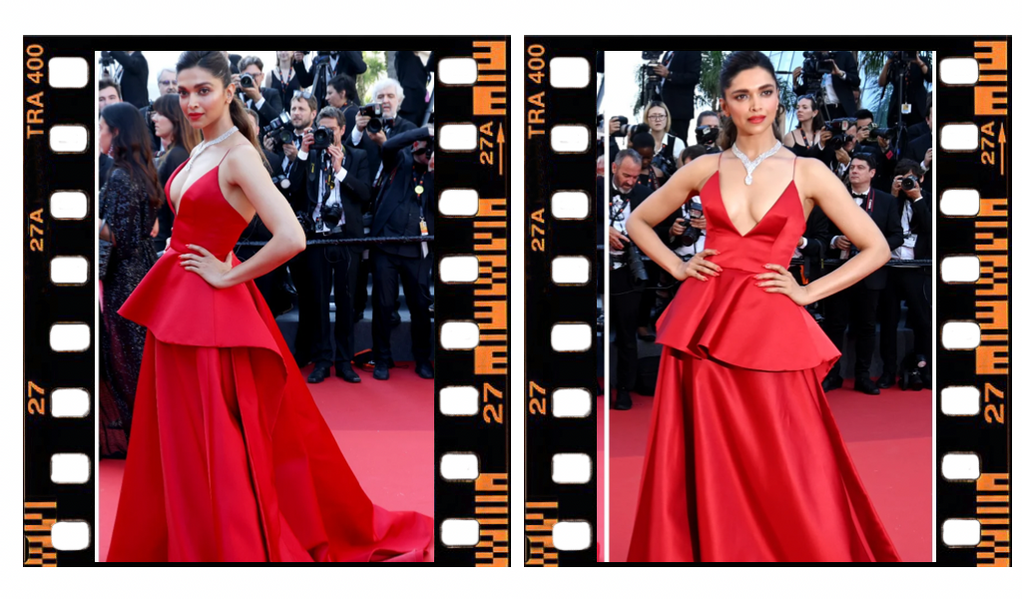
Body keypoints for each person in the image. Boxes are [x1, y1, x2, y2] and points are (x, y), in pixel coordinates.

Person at [107, 51, 432, 562]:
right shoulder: (200, 149)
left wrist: (227, 272)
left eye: (203, 91)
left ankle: (224, 546)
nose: (191, 102)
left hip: (209, 311)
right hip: (180, 304)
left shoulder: (237, 154)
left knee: (213, 435)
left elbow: (292, 236)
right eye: (185, 92)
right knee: (180, 438)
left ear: (229, 92)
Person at [624, 51, 900, 562]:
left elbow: (877, 247)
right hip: (702, 331)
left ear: (779, 98)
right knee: (707, 456)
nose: (756, 105)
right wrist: (679, 267)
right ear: (724, 105)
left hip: (773, 326)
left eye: (766, 92)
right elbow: (638, 221)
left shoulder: (809, 171)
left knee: (791, 454)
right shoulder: (705, 167)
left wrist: (806, 292)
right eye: (742, 95)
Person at [98, 102, 162, 457]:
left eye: (102, 125)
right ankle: (145, 434)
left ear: (117, 131)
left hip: (125, 279)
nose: (98, 131)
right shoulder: (140, 169)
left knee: (127, 359)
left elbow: (119, 236)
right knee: (136, 359)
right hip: (140, 272)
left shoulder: (121, 174)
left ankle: (142, 438)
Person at [293, 106, 371, 384]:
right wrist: (303, 151)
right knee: (318, 303)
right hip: (318, 240)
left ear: (342, 130)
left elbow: (365, 194)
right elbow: (292, 188)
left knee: (346, 303)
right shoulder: (310, 157)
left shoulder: (358, 156)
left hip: (347, 239)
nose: (325, 134)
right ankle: (323, 360)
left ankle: (344, 361)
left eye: (331, 129)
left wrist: (340, 170)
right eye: (320, 129)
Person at [819, 153, 903, 394]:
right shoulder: (834, 198)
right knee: (835, 325)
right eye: (852, 167)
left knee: (867, 327)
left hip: (871, 274)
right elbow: (823, 234)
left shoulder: (886, 201)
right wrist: (836, 241)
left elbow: (897, 235)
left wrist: (873, 246)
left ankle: (863, 377)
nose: (854, 171)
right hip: (840, 271)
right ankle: (832, 375)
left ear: (872, 173)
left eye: (860, 167)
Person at [369, 125, 435, 381]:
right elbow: (388, 145)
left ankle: (422, 359)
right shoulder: (399, 160)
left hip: (418, 250)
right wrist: (424, 130)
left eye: (429, 151)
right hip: (385, 245)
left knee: (420, 306)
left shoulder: (433, 173)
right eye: (422, 150)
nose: (425, 155)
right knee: (383, 304)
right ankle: (382, 358)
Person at [605, 149, 656, 411]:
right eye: (626, 175)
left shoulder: (645, 195)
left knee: (626, 333)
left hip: (628, 272)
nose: (630, 181)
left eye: (635, 176)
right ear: (613, 167)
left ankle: (624, 389)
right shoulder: (595, 189)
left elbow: (655, 232)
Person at [878, 159, 933, 391]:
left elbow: (932, 229)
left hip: (916, 268)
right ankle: (888, 372)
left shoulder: (928, 198)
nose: (907, 183)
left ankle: (924, 368)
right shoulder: (888, 200)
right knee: (888, 322)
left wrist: (917, 198)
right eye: (902, 180)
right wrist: (893, 195)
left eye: (911, 178)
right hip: (890, 267)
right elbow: (879, 227)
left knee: (923, 320)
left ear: (920, 179)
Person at [792, 50, 859, 120]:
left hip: (841, 108)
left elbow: (856, 81)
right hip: (820, 111)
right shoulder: (812, 59)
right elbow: (806, 93)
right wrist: (795, 82)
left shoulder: (844, 56)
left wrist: (840, 73)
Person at [652, 50, 701, 142]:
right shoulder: (668, 53)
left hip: (679, 109)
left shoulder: (691, 52)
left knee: (678, 142)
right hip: (662, 106)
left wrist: (669, 75)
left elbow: (693, 77)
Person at [233, 56, 284, 137]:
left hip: (264, 145)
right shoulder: (233, 95)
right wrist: (228, 90)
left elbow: (279, 122)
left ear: (262, 76)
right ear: (240, 77)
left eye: (255, 75)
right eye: (247, 76)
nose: (252, 79)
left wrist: (258, 99)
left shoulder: (272, 94)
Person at [879, 52, 931, 128]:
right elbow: (881, 82)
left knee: (917, 132)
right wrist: (888, 62)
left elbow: (930, 77)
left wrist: (919, 62)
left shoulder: (921, 60)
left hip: (918, 106)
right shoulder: (895, 62)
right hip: (898, 104)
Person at [395, 51, 435, 126]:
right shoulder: (405, 56)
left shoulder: (420, 60)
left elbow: (431, 66)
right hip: (409, 106)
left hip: (422, 106)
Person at [782, 94, 823, 158]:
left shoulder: (822, 135)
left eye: (805, 107)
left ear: (815, 113)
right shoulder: (790, 137)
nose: (799, 110)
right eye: (798, 108)